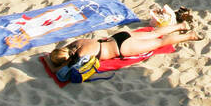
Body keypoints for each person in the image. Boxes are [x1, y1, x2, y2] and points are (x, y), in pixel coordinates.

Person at [48, 20, 200, 75]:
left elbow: (62, 70)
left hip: (122, 48)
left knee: (160, 43)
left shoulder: (79, 55)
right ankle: (181, 25)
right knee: (154, 33)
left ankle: (189, 36)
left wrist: (57, 66)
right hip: (118, 36)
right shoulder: (76, 44)